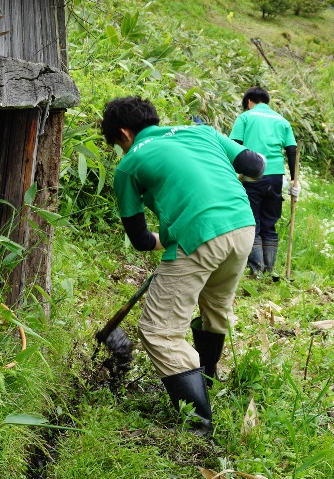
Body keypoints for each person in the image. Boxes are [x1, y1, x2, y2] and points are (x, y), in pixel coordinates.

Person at [102, 96, 265, 435]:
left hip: (199, 236)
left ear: (124, 134)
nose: (121, 150)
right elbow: (255, 165)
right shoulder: (201, 133)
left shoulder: (130, 164)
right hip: (243, 228)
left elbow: (141, 240)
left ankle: (198, 427)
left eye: (118, 144)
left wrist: (180, 235)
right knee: (216, 308)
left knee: (159, 332)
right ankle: (207, 378)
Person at [229, 87, 299, 279]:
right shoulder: (282, 120)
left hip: (252, 175)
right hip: (276, 177)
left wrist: (232, 173)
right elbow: (292, 150)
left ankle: (256, 270)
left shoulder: (246, 117)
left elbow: (234, 145)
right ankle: (269, 270)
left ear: (250, 101)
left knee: (252, 222)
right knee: (270, 222)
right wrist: (294, 180)